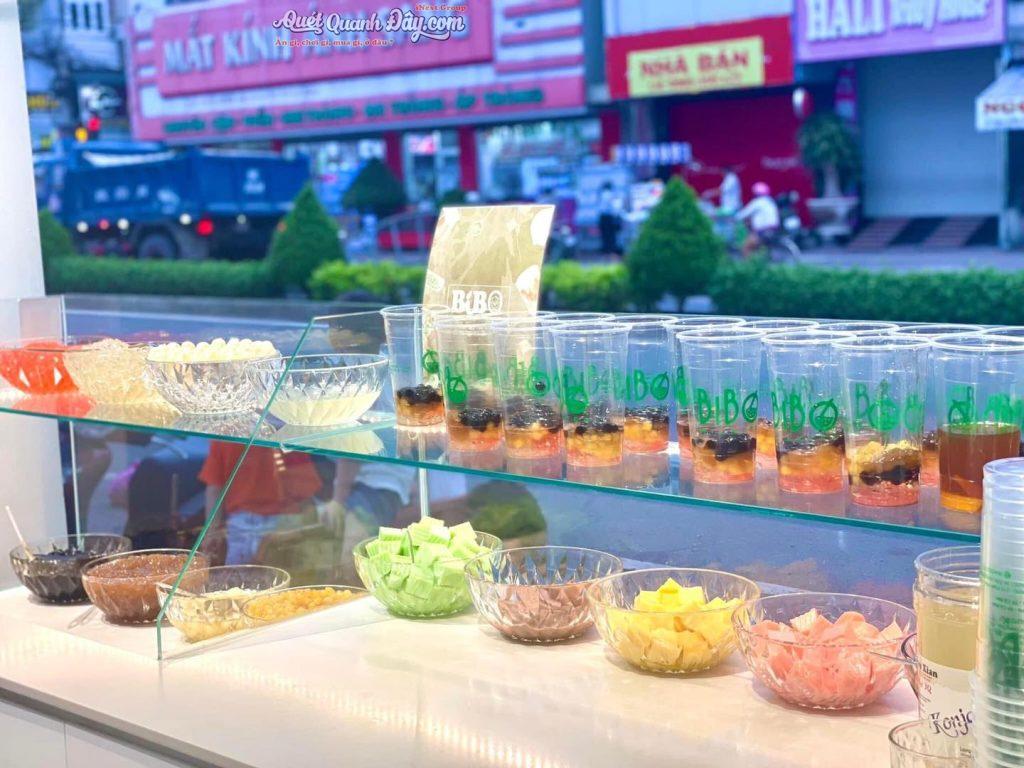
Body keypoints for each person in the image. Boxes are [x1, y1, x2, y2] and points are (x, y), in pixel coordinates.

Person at [736, 181, 780, 258]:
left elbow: (743, 214)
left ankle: (750, 264)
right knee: (760, 249)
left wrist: (733, 217)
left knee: (746, 247)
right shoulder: (770, 201)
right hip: (774, 230)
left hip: (762, 232)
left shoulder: (757, 202)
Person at [597, 181, 621, 255]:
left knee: (605, 234)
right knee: (610, 234)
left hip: (603, 216)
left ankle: (606, 249)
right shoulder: (609, 194)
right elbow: (613, 206)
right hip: (608, 216)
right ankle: (610, 249)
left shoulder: (601, 194)